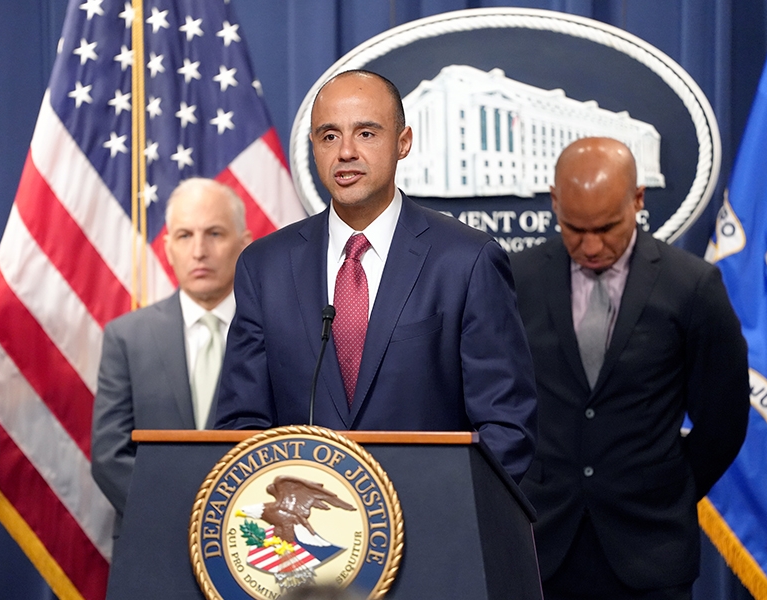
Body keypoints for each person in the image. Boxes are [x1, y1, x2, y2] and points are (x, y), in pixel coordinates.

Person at [214, 70, 537, 482]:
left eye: (366, 133)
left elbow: (506, 427)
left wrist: (441, 516)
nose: (345, 151)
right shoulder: (264, 266)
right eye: (329, 136)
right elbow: (243, 425)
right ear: (313, 146)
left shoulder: (466, 260)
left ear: (403, 143)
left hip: (431, 530)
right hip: (305, 532)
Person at [511, 137, 750, 600]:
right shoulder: (517, 278)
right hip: (541, 544)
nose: (591, 245)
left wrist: (666, 489)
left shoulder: (693, 286)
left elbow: (723, 421)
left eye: (607, 226)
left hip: (651, 549)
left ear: (638, 200)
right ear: (554, 203)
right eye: (574, 228)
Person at [91, 178, 251, 533]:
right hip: (150, 540)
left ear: (244, 244)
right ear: (167, 248)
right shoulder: (127, 338)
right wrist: (187, 518)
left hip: (249, 542)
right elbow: (109, 456)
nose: (198, 251)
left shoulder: (274, 337)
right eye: (184, 235)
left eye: (214, 234)